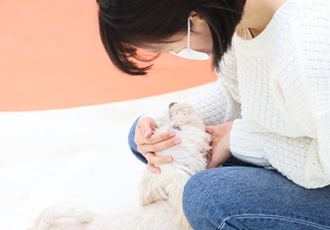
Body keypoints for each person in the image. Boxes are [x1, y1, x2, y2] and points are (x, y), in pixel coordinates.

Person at [96, 0, 330, 229]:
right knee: (148, 138)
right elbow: (236, 92)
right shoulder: (238, 19)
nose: (181, 52)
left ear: (196, 17)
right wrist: (167, 119)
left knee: (206, 197)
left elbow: (324, 163)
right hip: (303, 142)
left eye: (174, 47)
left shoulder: (309, 51)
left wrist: (240, 139)